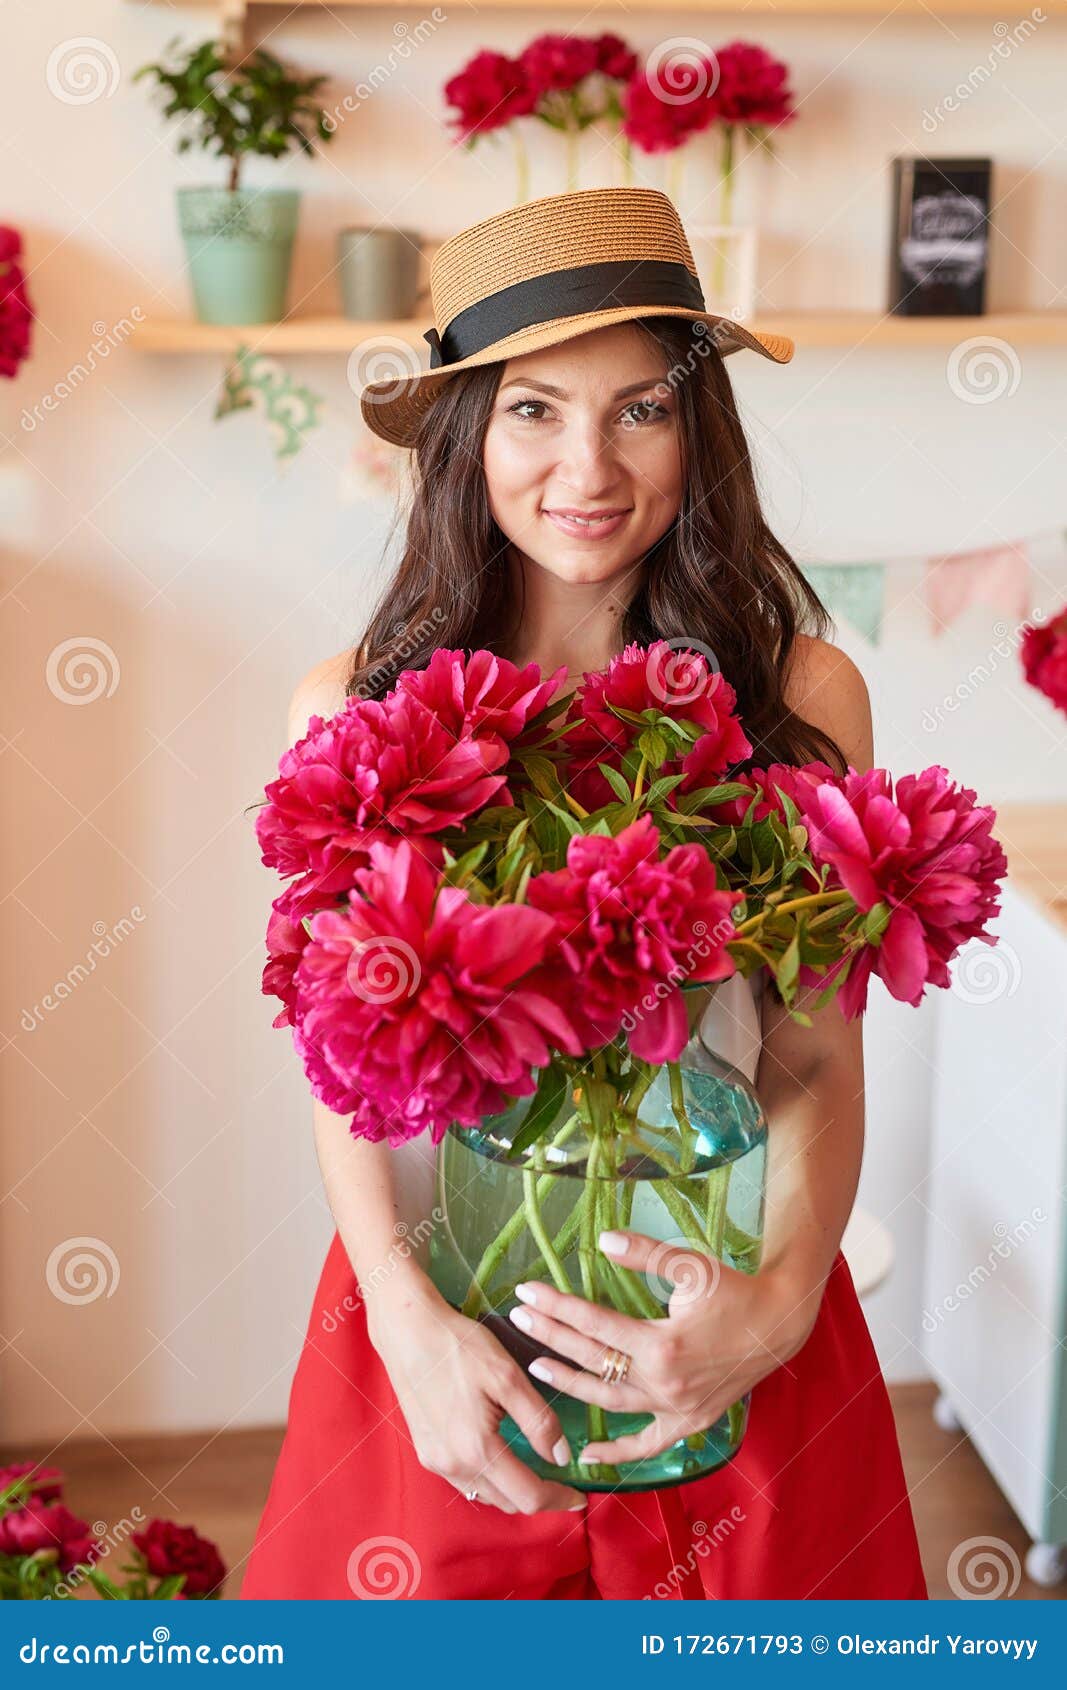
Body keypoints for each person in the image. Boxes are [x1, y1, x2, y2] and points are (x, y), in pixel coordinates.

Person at [240, 188, 928, 1600]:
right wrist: (405, 1321)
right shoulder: (354, 709)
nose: (589, 465)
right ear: (465, 437)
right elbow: (341, 1066)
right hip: (441, 1320)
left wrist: (782, 1300)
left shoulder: (800, 697)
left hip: (722, 1309)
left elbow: (812, 1053)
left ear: (700, 428)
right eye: (535, 410)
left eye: (642, 409)